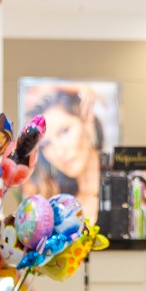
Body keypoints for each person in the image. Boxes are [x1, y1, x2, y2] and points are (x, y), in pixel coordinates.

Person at [26, 87, 106, 222]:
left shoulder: (127, 190)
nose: (59, 152)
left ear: (86, 120)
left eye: (63, 132)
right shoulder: (56, 207)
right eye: (46, 145)